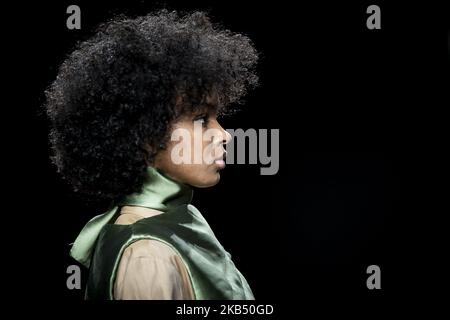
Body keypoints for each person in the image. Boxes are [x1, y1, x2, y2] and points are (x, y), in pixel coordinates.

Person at [44, 10, 259, 300]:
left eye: (216, 117)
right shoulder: (147, 257)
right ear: (145, 134)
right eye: (201, 119)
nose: (224, 134)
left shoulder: (177, 220)